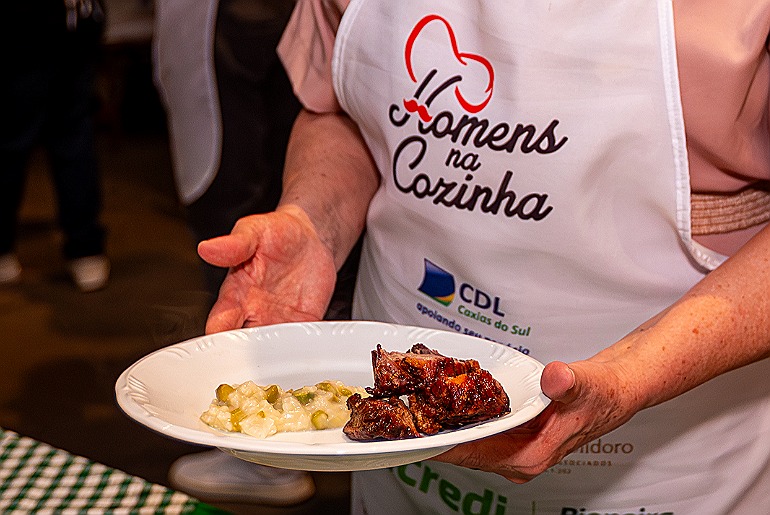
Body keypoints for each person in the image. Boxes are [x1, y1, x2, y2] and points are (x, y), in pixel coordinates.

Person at [196, 0, 770, 513]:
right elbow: (344, 106)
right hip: (401, 446)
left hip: (663, 463)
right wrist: (313, 221)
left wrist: (632, 379)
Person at [152, 0, 320, 506]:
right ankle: (285, 432)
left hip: (235, 22)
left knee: (239, 238)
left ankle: (265, 447)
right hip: (288, 23)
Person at [1, 0, 110, 292]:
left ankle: (84, 246)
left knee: (15, 139)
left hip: (36, 25)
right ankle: (86, 248)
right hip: (71, 22)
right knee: (69, 134)